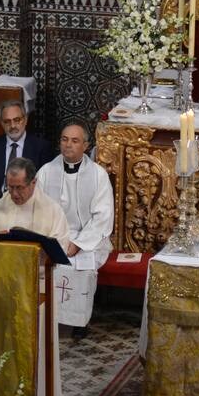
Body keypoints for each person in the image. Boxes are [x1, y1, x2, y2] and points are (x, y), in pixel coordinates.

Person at [0, 157, 70, 396]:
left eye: (20, 188)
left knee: (33, 355)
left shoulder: (51, 210)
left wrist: (30, 251)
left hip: (35, 292)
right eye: (11, 187)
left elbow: (59, 249)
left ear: (33, 182)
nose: (15, 194)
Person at [35, 121, 115, 331]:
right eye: (64, 139)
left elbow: (102, 217)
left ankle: (79, 322)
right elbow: (37, 209)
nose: (68, 145)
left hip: (89, 238)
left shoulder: (98, 175)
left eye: (74, 140)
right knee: (46, 263)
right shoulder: (46, 171)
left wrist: (78, 243)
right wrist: (52, 239)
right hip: (53, 235)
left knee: (81, 266)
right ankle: (46, 316)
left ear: (86, 146)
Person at [0, 99, 55, 197]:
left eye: (17, 120)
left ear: (25, 120)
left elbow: (46, 187)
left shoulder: (42, 147)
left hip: (27, 203)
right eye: (7, 121)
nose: (13, 126)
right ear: (2, 123)